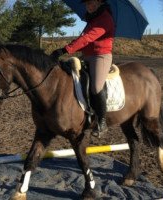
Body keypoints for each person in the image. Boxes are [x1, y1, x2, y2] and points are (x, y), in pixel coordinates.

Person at [51, 0, 115, 138]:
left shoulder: (105, 18)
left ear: (99, 3)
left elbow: (88, 38)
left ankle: (102, 122)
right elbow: (83, 40)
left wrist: (65, 50)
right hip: (86, 56)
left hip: (101, 56)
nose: (88, 6)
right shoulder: (92, 18)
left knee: (96, 87)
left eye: (91, 3)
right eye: (86, 4)